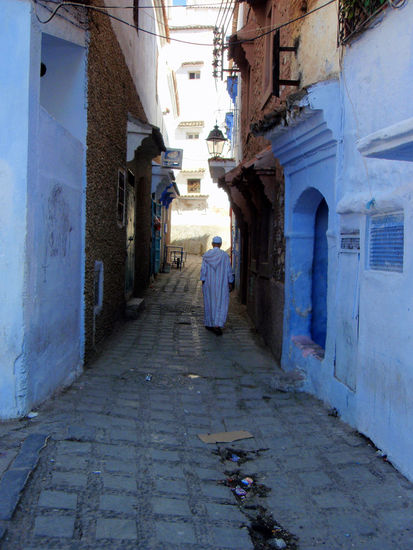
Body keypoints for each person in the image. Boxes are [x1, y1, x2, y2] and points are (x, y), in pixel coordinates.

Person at [200, 236, 234, 335]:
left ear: (212, 244)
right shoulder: (225, 256)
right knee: (221, 303)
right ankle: (217, 325)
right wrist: (230, 281)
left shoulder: (206, 256)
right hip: (222, 284)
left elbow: (203, 270)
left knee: (210, 302)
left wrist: (203, 281)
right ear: (220, 244)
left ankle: (209, 323)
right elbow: (229, 270)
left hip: (209, 284)